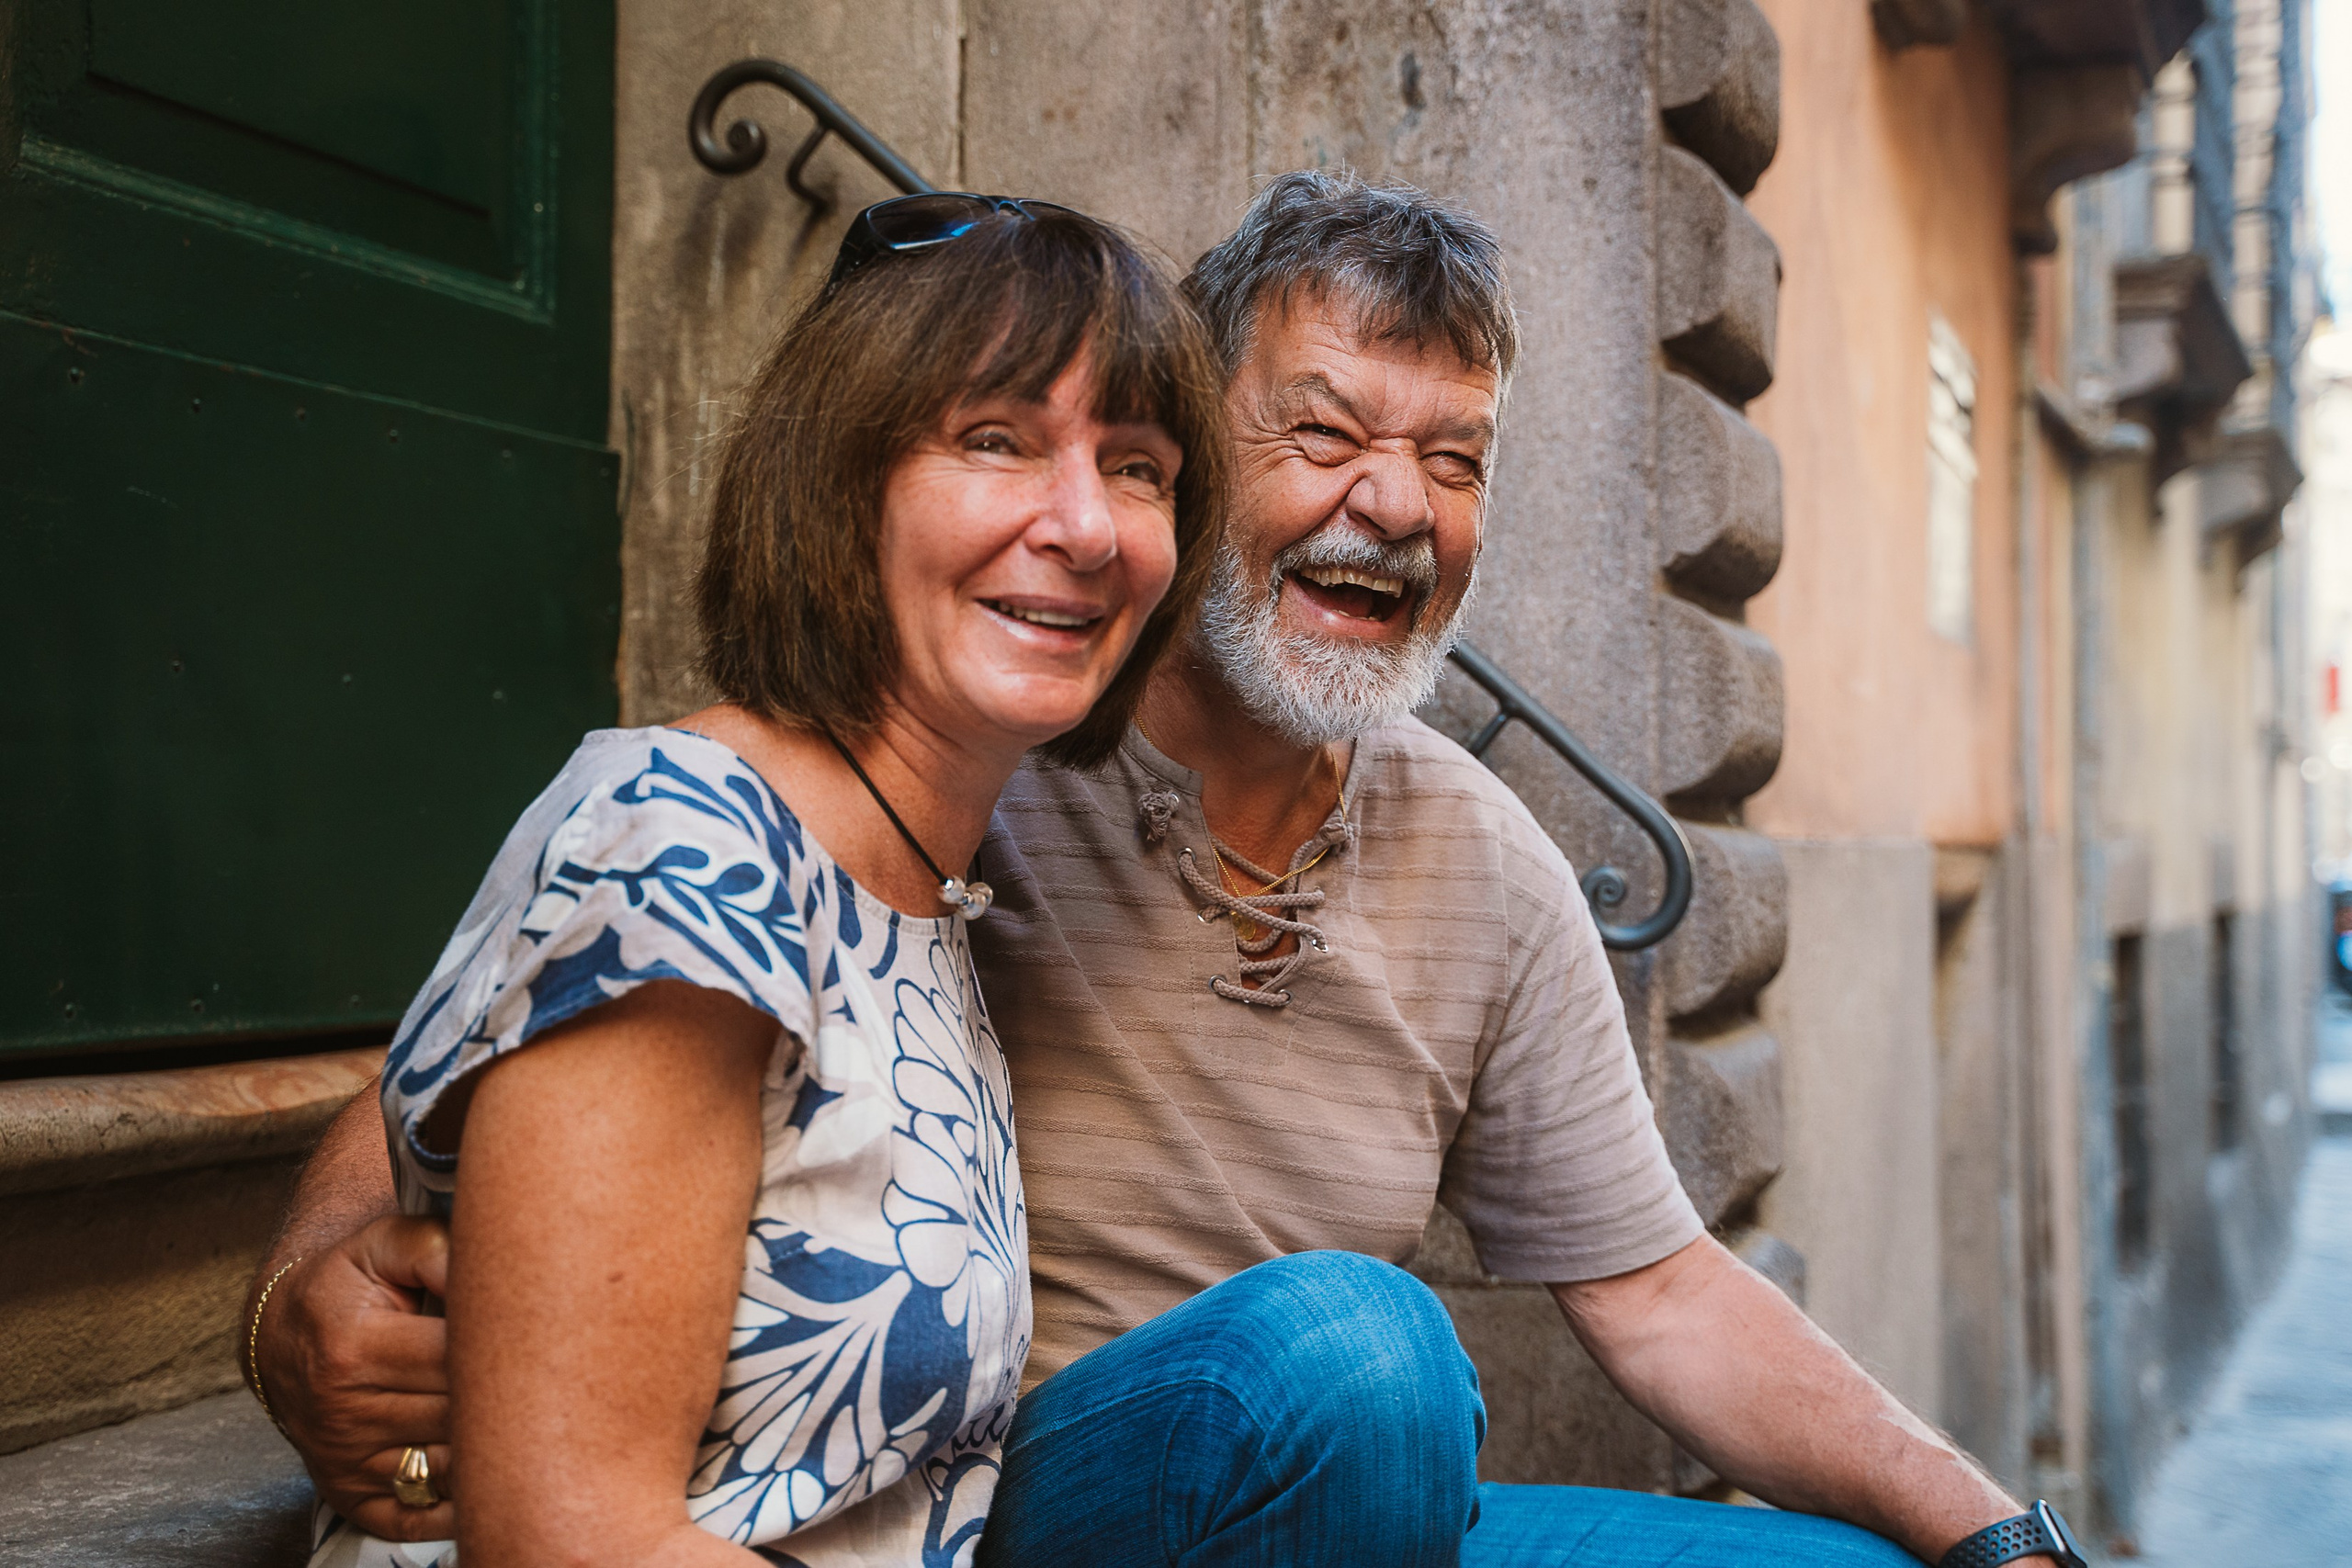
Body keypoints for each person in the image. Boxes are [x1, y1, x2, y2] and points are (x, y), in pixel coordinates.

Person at [252, 173, 2070, 1568]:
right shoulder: (944, 748)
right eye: (1328, 430)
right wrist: (305, 1282)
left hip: (1320, 1492)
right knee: (1357, 1349)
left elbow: (1660, 1282)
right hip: (1044, 1489)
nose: (1392, 503)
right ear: (1217, 450)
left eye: (1452, 457)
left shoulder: (1430, 852)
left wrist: (1982, 1520)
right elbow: (545, 1004)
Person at [283, 194, 1228, 1568]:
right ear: (840, 488)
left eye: (1137, 465)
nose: (1087, 525)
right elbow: (576, 1542)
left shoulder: (922, 871)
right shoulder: (688, 842)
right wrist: (288, 1301)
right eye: (995, 440)